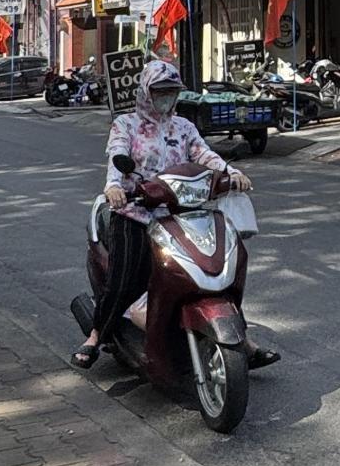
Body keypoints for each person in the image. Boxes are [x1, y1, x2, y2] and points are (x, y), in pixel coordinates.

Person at [72, 58, 279, 372]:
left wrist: (230, 172)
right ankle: (96, 335)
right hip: (135, 212)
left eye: (171, 91)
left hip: (179, 213)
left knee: (213, 269)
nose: (166, 97)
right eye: (160, 91)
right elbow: (117, 154)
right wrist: (114, 186)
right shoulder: (126, 124)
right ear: (146, 91)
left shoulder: (183, 127)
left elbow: (203, 153)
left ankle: (242, 340)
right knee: (124, 279)